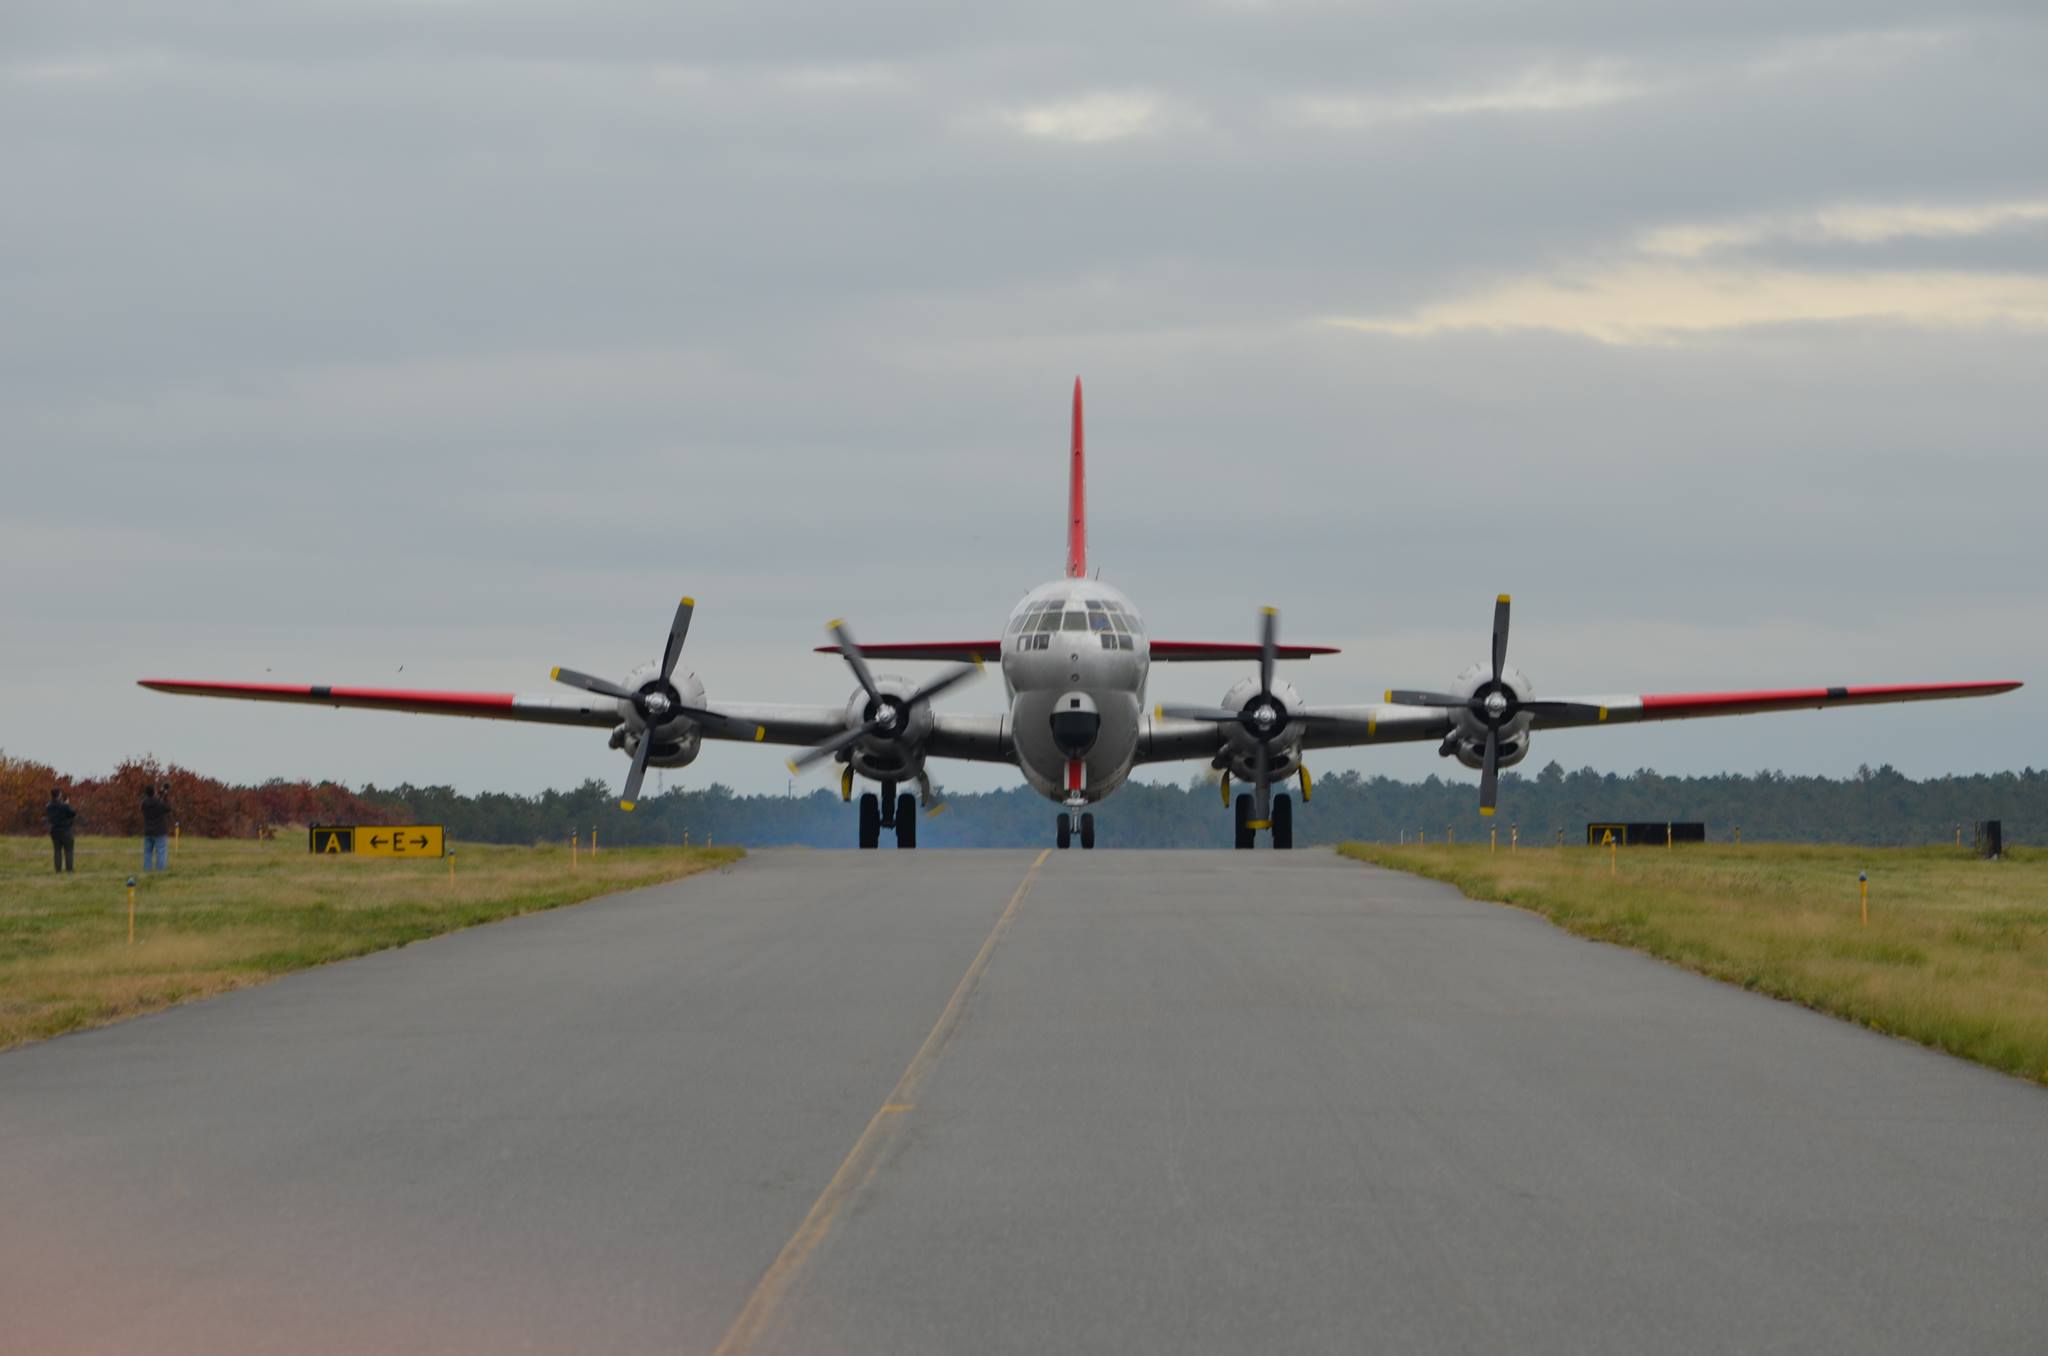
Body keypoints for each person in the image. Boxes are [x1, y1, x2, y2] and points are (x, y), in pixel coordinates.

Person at [141, 782, 172, 873]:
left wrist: (160, 795)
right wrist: (165, 795)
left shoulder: (144, 804)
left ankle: (147, 870)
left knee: (147, 852)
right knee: (161, 852)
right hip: (159, 832)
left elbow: (152, 801)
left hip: (148, 831)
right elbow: (168, 808)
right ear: (154, 792)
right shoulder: (159, 803)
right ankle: (160, 871)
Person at [46, 789, 77, 874]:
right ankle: (69, 870)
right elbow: (73, 813)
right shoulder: (64, 806)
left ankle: (58, 870)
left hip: (54, 830)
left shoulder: (48, 806)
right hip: (65, 830)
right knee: (68, 851)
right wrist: (67, 804)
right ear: (59, 795)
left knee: (57, 851)